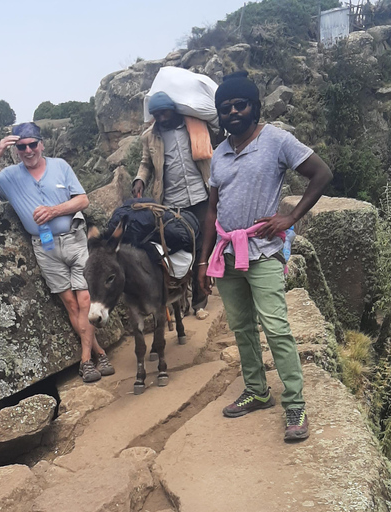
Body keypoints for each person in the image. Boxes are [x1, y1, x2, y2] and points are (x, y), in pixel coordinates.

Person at [197, 72, 333, 441]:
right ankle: (257, 390)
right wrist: (203, 260)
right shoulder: (221, 153)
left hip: (262, 251)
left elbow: (320, 173)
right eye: (225, 108)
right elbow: (212, 209)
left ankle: (294, 403)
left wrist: (291, 216)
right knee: (241, 328)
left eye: (240, 105)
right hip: (226, 254)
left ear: (254, 107)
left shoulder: (275, 140)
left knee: (275, 327)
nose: (233, 112)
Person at [0, 122, 114, 383]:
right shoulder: (10, 176)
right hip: (45, 247)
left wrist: (54, 211)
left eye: (32, 145)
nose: (28, 151)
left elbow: (82, 200)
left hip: (73, 239)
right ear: (16, 150)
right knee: (71, 304)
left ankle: (85, 361)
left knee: (85, 300)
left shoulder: (60, 166)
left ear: (41, 144)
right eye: (22, 147)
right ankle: (100, 353)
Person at [132, 92, 216, 320]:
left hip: (200, 196)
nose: (160, 117)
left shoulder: (195, 127)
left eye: (164, 112)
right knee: (178, 250)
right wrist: (139, 179)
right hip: (171, 203)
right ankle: (182, 300)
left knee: (201, 248)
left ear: (174, 110)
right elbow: (145, 163)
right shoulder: (150, 136)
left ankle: (200, 302)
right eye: (156, 114)